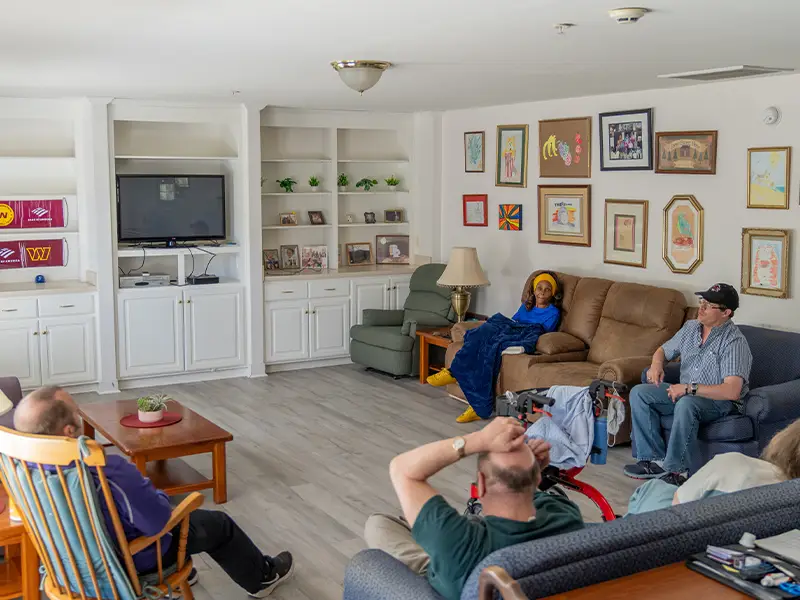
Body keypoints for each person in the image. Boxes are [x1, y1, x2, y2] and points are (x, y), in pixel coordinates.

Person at [12, 387, 294, 598]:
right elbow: (159, 522)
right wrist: (157, 498)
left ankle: (185, 569)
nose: (81, 414)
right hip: (127, 565)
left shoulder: (20, 470)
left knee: (150, 503)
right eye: (78, 412)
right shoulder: (103, 469)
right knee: (216, 524)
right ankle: (263, 578)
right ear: (70, 429)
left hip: (66, 564)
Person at [364, 417, 583, 600]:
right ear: (537, 477)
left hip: (451, 572)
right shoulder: (566, 514)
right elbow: (531, 493)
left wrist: (478, 440)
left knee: (378, 524)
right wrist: (529, 469)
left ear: (480, 484)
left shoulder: (460, 543)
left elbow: (401, 469)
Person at [623, 283, 753, 486]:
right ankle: (654, 461)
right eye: (702, 302)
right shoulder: (691, 328)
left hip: (718, 402)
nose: (701, 308)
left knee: (687, 403)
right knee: (640, 393)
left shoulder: (734, 342)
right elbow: (662, 351)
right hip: (687, 394)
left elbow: (732, 390)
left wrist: (687, 389)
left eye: (709, 305)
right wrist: (656, 365)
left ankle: (678, 471)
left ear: (726, 312)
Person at [427, 272, 561, 423]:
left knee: (492, 346)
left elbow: (543, 331)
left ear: (553, 293)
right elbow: (513, 321)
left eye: (547, 289)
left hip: (527, 331)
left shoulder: (553, 312)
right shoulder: (526, 307)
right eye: (539, 287)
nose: (542, 292)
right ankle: (460, 380)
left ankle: (459, 378)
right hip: (511, 326)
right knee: (480, 333)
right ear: (534, 290)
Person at [627, 417, 800, 515]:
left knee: (651, 489)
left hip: (686, 530)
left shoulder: (734, 463)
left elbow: (677, 508)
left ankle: (671, 469)